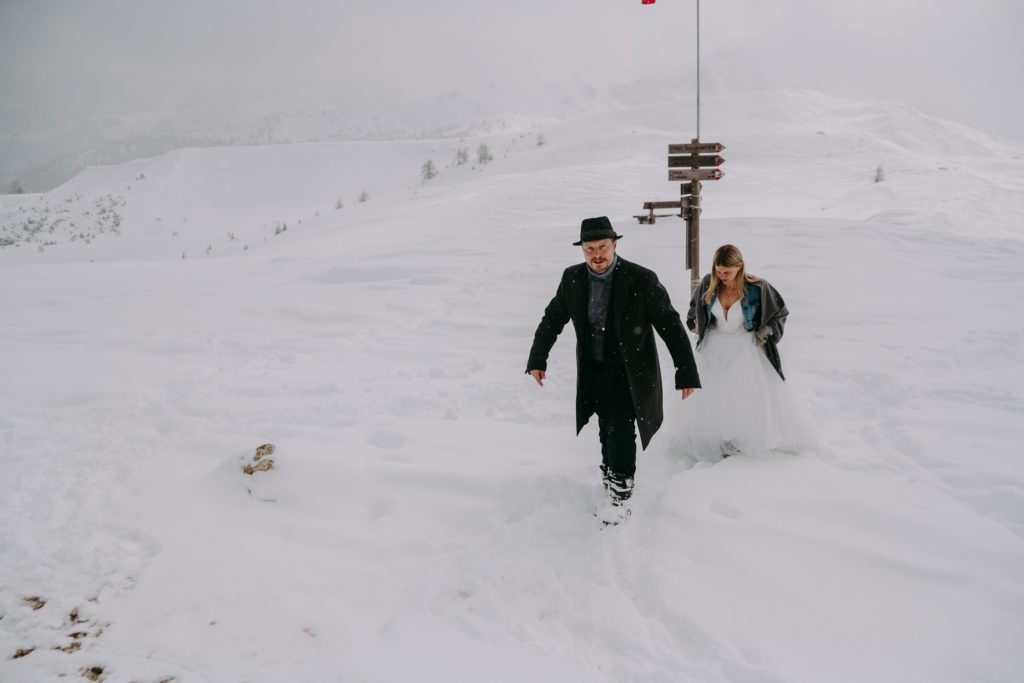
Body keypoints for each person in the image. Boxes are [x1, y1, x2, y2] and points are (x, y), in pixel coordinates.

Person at [526, 216, 701, 525]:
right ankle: (610, 478)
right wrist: (538, 358)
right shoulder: (572, 278)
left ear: (615, 245)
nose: (597, 255)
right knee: (606, 425)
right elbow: (553, 318)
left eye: (602, 247)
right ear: (582, 249)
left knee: (620, 427)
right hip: (593, 369)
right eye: (590, 249)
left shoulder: (641, 279)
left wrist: (685, 371)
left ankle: (620, 495)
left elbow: (670, 325)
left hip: (629, 372)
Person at [683, 244, 814, 459]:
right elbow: (694, 309)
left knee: (742, 397)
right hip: (714, 348)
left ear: (740, 266)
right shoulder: (708, 283)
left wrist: (767, 330)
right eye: (718, 270)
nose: (722, 276)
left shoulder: (758, 288)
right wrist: (696, 323)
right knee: (715, 395)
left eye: (727, 272)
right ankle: (716, 437)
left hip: (745, 348)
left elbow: (780, 313)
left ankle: (741, 437)